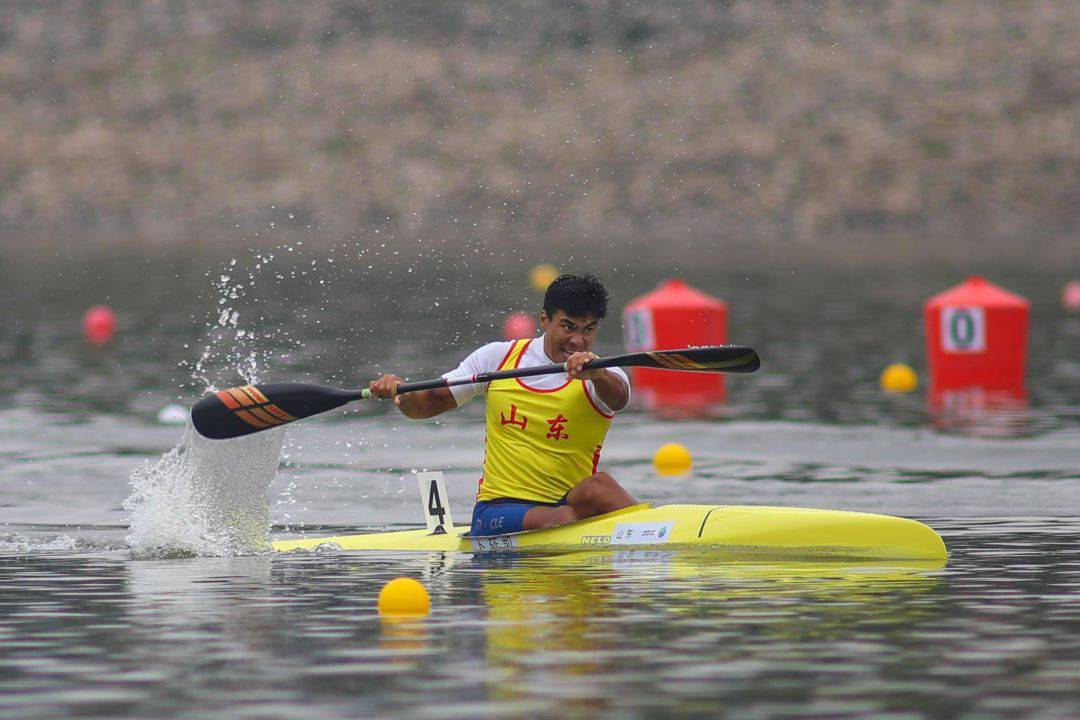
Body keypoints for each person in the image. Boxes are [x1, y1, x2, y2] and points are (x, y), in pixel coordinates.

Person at [368, 274, 637, 536]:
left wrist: (598, 375)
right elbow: (426, 406)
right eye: (568, 327)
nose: (578, 340)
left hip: (565, 504)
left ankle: (655, 529)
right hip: (497, 511)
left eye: (588, 329)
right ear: (545, 319)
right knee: (562, 518)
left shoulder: (602, 373)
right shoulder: (497, 359)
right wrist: (400, 394)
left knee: (601, 485)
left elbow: (619, 398)